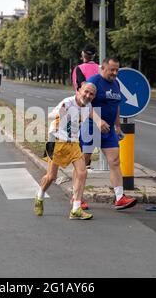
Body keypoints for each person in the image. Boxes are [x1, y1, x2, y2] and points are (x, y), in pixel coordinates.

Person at [34, 82, 110, 220]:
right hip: (56, 141)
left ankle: (76, 209)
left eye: (91, 94)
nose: (88, 95)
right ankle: (39, 195)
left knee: (82, 172)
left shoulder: (87, 105)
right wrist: (61, 113)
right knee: (51, 177)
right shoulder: (67, 102)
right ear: (79, 90)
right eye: (86, 91)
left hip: (73, 142)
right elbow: (51, 115)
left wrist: (100, 122)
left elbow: (91, 112)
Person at [80, 58, 137, 211]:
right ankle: (77, 198)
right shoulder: (94, 81)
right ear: (103, 68)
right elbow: (85, 103)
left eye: (117, 70)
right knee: (83, 164)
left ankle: (120, 197)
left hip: (109, 129)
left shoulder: (116, 84)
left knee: (115, 161)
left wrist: (117, 125)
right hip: (91, 126)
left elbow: (116, 105)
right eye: (112, 70)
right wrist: (98, 121)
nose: (115, 73)